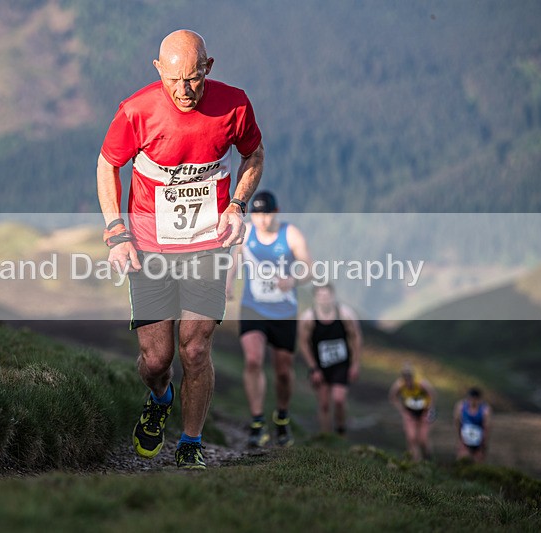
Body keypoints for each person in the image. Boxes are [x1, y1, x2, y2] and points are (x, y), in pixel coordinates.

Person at [97, 30, 264, 469]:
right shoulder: (136, 110)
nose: (184, 91)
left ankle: (191, 442)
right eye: (174, 81)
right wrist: (116, 230)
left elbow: (254, 154)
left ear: (208, 68)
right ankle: (160, 397)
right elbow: (108, 163)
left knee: (194, 348)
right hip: (150, 245)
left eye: (193, 79)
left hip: (208, 243)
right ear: (158, 70)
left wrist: (237, 205)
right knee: (157, 359)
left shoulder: (234, 105)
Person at [226, 191, 313, 448]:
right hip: (253, 308)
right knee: (253, 361)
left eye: (267, 214)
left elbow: (309, 267)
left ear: (276, 212)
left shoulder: (290, 234)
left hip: (284, 312)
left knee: (283, 371)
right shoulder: (248, 233)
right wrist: (229, 283)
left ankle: (282, 417)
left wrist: (293, 279)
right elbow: (235, 259)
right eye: (258, 214)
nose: (262, 219)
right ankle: (256, 422)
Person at [298, 284, 362, 436]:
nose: (324, 300)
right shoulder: (308, 318)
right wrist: (313, 368)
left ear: (333, 296)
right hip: (320, 365)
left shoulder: (345, 314)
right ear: (315, 298)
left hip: (341, 363)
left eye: (327, 296)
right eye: (321, 296)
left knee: (339, 399)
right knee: (324, 403)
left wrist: (355, 364)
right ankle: (326, 438)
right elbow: (303, 343)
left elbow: (356, 337)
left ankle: (341, 430)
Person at [388, 363, 436, 461]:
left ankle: (428, 457)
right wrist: (402, 410)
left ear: (413, 376)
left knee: (423, 439)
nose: (408, 380)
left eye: (409, 377)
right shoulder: (400, 385)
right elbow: (393, 397)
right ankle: (415, 461)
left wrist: (428, 408)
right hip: (410, 413)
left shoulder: (421, 383)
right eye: (405, 377)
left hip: (424, 412)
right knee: (411, 438)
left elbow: (432, 394)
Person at [454, 387, 492, 462]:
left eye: (475, 399)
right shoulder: (461, 407)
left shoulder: (485, 410)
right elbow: (457, 423)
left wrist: (483, 444)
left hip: (479, 441)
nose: (473, 402)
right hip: (465, 440)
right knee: (462, 461)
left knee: (478, 462)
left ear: (479, 399)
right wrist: (460, 439)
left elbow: (486, 428)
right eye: (471, 399)